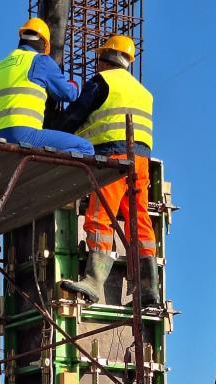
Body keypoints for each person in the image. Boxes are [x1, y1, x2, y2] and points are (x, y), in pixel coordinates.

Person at [57, 35, 159, 306]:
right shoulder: (143, 91)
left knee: (100, 216)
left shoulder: (102, 82)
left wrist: (53, 135)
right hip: (140, 162)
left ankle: (93, 281)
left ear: (105, 59)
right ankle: (149, 290)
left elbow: (75, 115)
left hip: (112, 158)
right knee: (140, 223)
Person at [0, 18, 94, 156]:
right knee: (85, 148)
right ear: (43, 43)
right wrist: (73, 84)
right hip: (22, 134)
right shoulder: (40, 60)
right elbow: (68, 94)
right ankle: (53, 174)